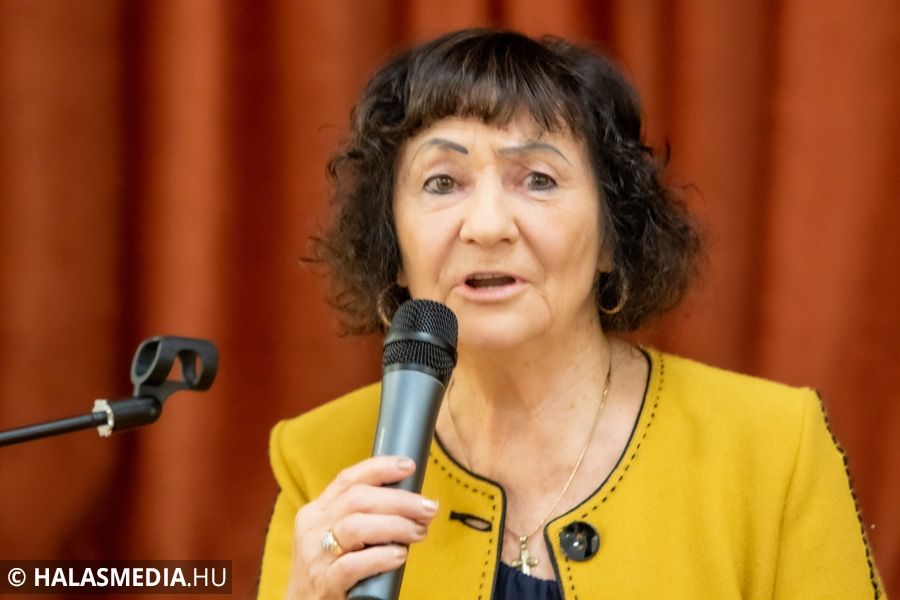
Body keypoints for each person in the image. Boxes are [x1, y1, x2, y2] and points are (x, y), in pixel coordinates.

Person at [257, 29, 884, 599]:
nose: (487, 226)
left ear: (613, 236)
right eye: (443, 182)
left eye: (538, 179)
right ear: (392, 245)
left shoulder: (775, 450)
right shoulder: (321, 460)